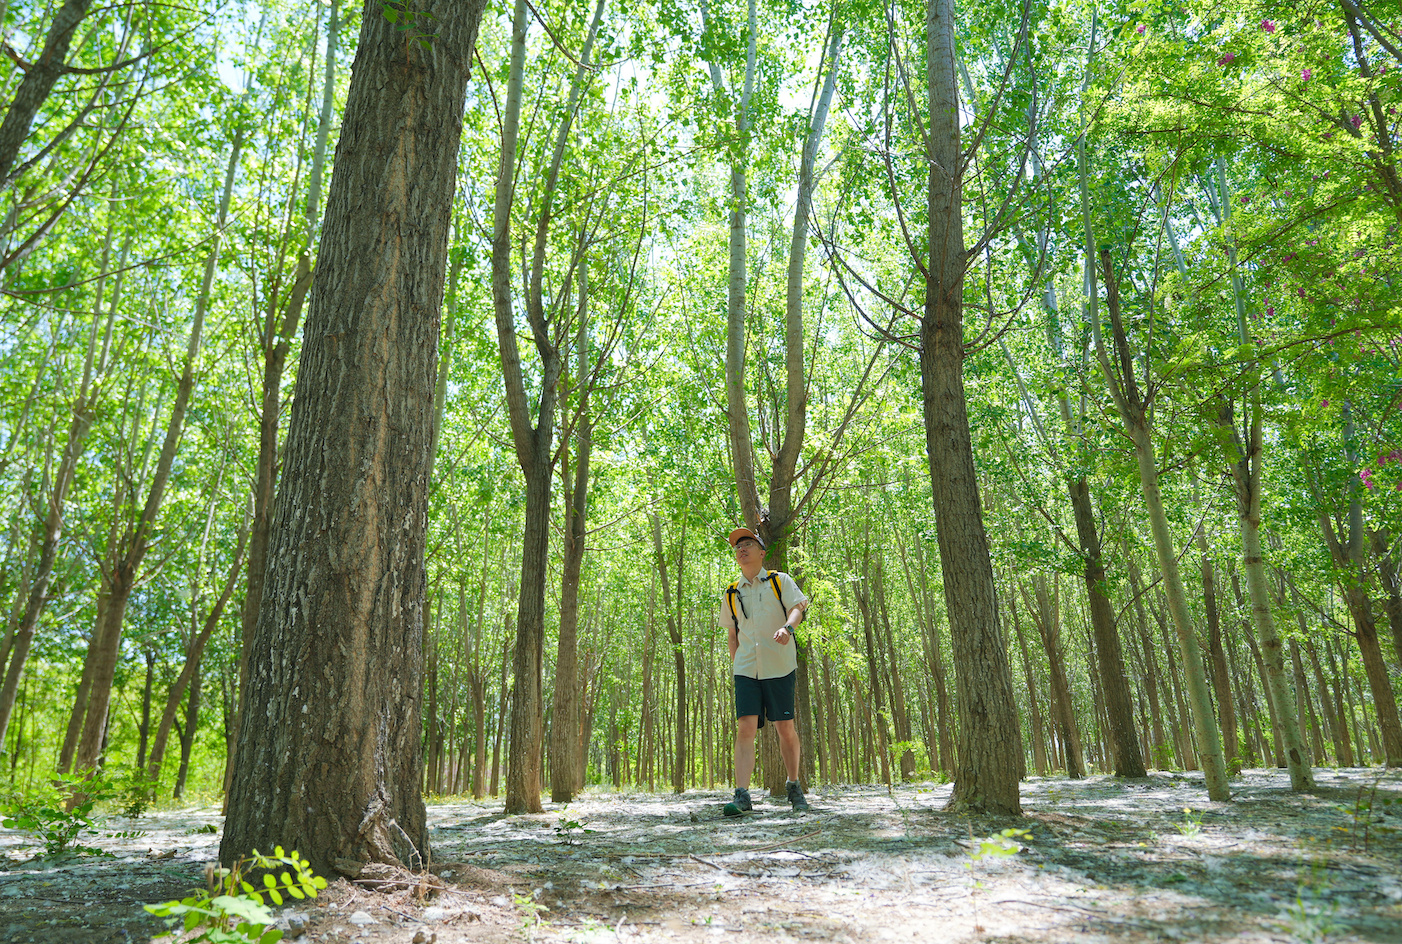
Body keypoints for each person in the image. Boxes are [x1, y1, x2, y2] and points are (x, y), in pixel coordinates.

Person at [718, 526, 810, 815]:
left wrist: (788, 627)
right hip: (746, 669)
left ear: (761, 552)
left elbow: (798, 607)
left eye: (747, 544)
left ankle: (794, 786)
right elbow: (733, 634)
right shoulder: (732, 592)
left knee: (785, 728)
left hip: (779, 665)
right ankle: (742, 795)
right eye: (737, 546)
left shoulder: (779, 581)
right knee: (745, 727)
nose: (741, 549)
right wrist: (737, 668)